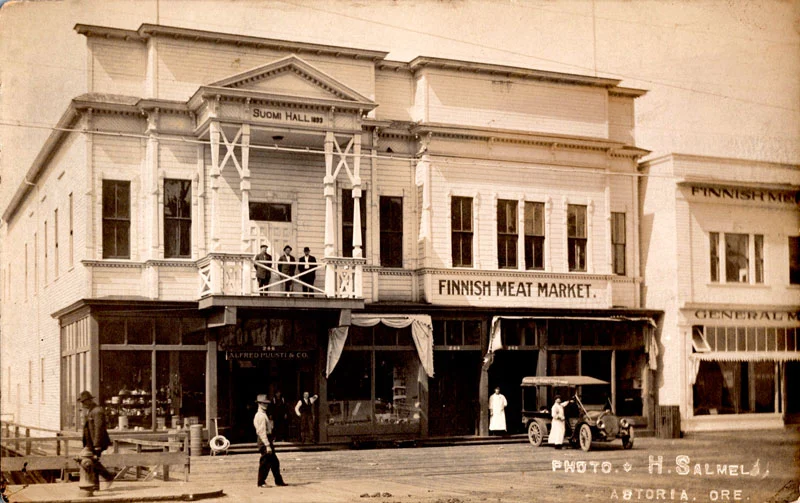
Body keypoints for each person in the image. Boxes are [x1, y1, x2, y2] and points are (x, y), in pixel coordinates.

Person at [78, 390, 115, 491]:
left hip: (96, 442)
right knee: (92, 463)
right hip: (90, 443)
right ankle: (95, 485)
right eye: (82, 402)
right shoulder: (91, 410)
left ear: (90, 400)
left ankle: (108, 476)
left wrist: (97, 444)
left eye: (84, 402)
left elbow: (99, 429)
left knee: (93, 462)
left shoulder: (97, 411)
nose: (83, 404)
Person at [254, 394, 287, 488]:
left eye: (267, 403)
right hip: (264, 440)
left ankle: (278, 481)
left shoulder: (263, 414)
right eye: (264, 403)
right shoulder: (260, 416)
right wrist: (267, 445)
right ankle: (261, 482)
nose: (266, 405)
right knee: (265, 462)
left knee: (274, 462)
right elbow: (261, 432)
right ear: (259, 404)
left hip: (267, 440)